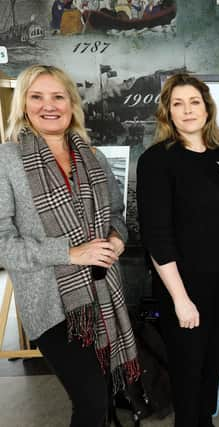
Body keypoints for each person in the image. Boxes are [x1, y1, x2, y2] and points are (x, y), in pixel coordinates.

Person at [0, 64, 139, 426]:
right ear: (24, 104)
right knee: (91, 402)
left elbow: (118, 217)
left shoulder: (94, 157)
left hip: (103, 298)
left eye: (58, 96)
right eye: (37, 96)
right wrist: (69, 253)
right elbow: (2, 244)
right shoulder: (7, 161)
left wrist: (117, 240)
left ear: (71, 103)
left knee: (104, 396)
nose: (49, 105)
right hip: (50, 307)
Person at [136, 73, 219, 427]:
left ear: (207, 108)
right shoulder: (157, 160)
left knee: (212, 369)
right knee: (188, 376)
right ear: (167, 111)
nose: (187, 110)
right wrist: (180, 299)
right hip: (184, 289)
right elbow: (157, 235)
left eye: (194, 102)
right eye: (177, 103)